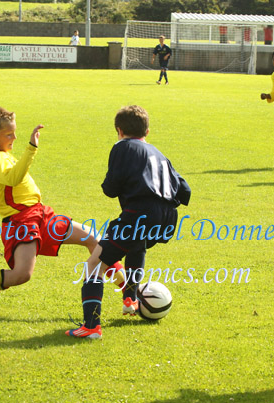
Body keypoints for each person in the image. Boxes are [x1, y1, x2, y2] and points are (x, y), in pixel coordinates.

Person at [0, 107, 126, 319]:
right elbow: (12, 178)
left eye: (14, 132)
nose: (14, 137)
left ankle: (130, 293)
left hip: (39, 214)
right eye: (9, 134)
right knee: (22, 274)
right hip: (21, 222)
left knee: (93, 238)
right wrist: (31, 148)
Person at [66, 105, 191, 339]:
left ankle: (92, 327)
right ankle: (131, 301)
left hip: (140, 212)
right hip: (167, 216)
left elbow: (111, 188)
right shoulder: (159, 153)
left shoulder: (122, 146)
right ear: (148, 131)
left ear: (119, 130)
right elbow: (185, 190)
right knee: (137, 245)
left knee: (95, 264)